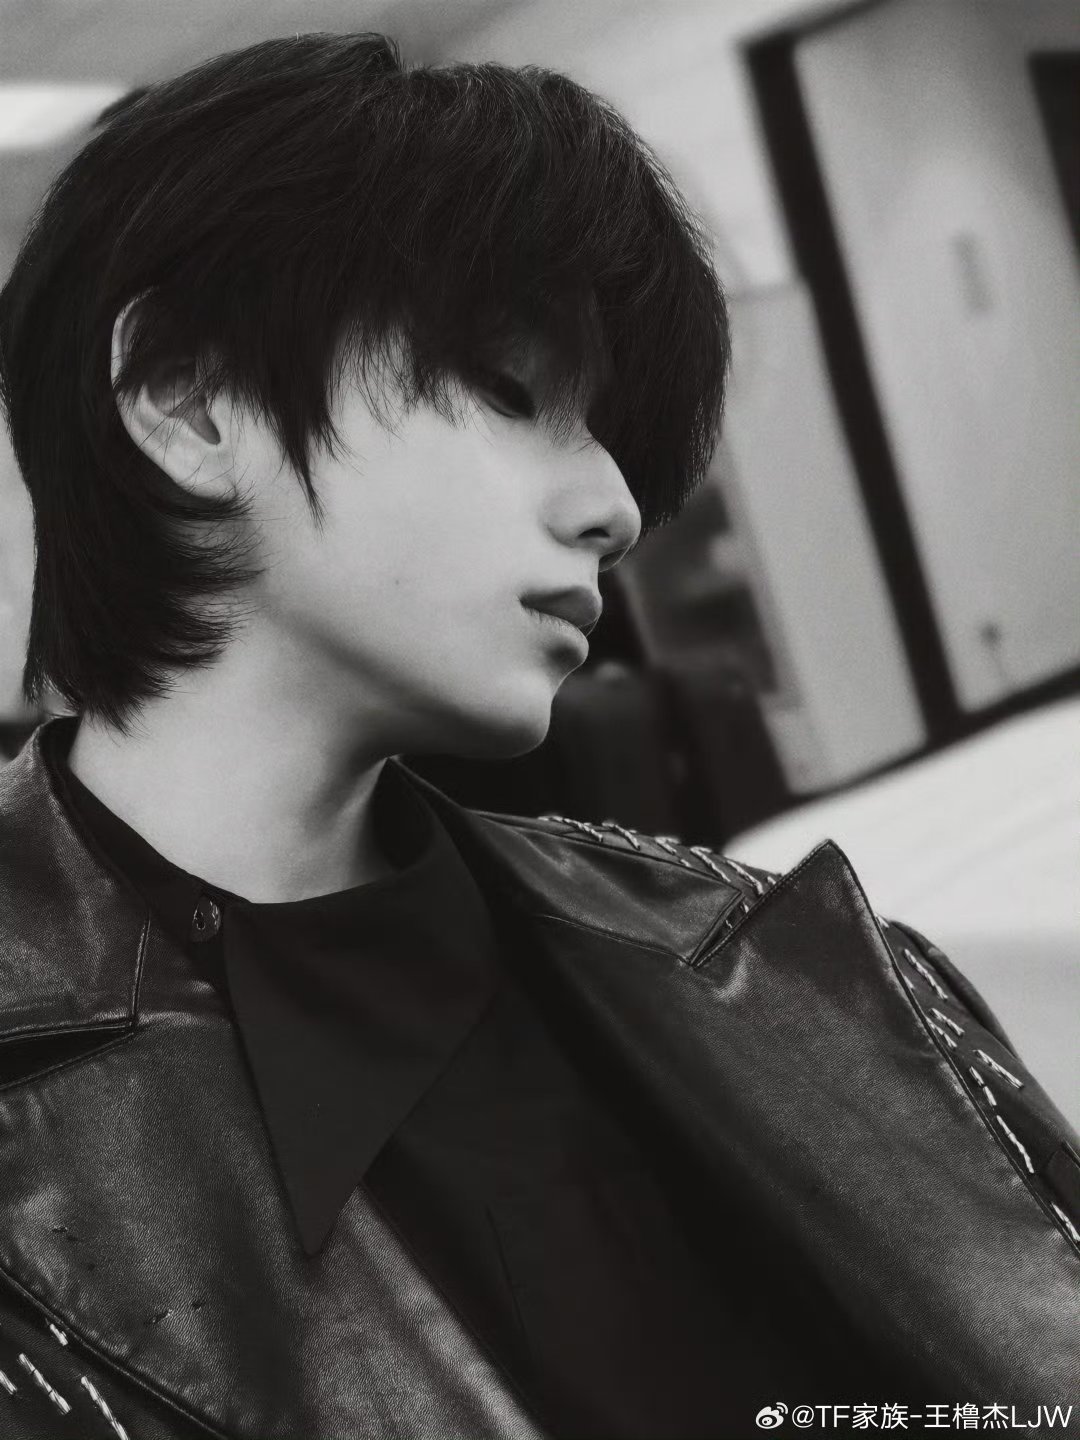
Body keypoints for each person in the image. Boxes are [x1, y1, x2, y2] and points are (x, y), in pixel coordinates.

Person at [0, 32, 1076, 1440]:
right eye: (511, 391)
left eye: (608, 430)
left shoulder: (804, 973)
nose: (616, 507)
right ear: (191, 402)